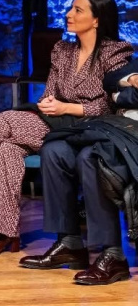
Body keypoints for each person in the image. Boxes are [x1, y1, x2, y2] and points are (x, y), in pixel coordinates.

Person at [0, 0, 134, 256]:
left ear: (96, 20)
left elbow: (109, 105)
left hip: (91, 129)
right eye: (70, 8)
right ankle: (4, 233)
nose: (69, 14)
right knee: (7, 149)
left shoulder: (115, 53)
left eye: (78, 10)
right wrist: (48, 103)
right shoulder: (62, 51)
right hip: (56, 123)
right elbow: (50, 92)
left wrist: (67, 107)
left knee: (6, 120)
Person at [21, 57, 138, 285]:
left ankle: (113, 255)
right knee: (54, 150)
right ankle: (69, 243)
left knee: (91, 157)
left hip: (132, 138)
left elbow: (118, 95)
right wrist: (132, 79)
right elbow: (111, 79)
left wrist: (121, 96)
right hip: (116, 127)